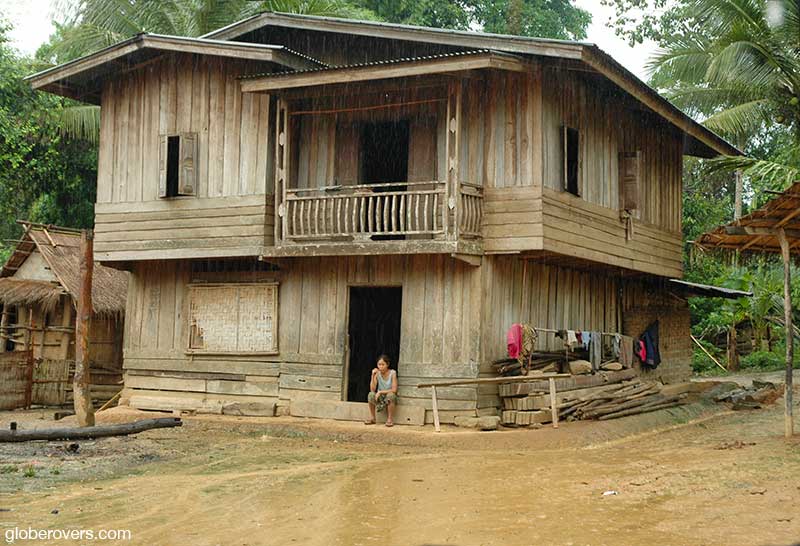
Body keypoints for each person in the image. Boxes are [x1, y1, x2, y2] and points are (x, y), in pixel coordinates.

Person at [365, 354, 398, 427]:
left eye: (383, 364)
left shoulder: (392, 373)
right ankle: (373, 418)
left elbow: (394, 390)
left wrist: (380, 392)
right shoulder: (377, 373)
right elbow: (372, 389)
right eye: (379, 364)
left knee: (391, 395)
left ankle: (389, 419)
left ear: (387, 364)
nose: (381, 367)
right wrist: (372, 376)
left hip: (388, 395)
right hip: (380, 397)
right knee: (370, 394)